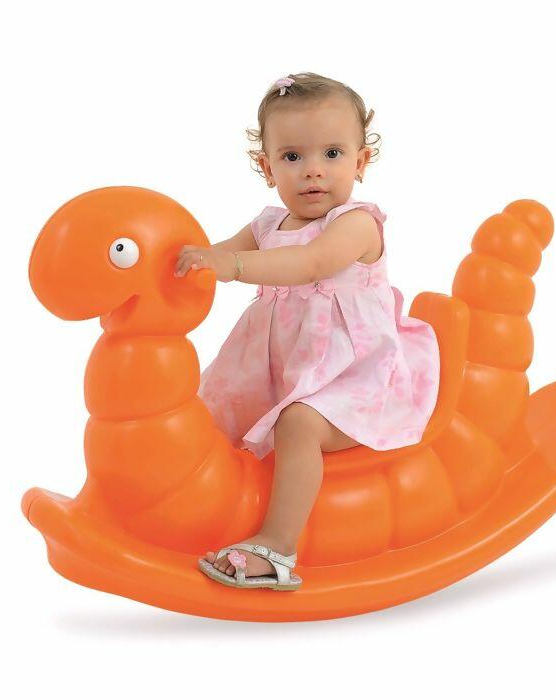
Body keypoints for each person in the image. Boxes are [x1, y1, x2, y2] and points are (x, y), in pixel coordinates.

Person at [175, 72, 439, 591]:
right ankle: (187, 509)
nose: (313, 170)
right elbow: (212, 255)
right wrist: (182, 262)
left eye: (333, 154)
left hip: (356, 375)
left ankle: (278, 546)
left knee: (298, 424)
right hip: (283, 366)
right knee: (206, 410)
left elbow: (311, 263)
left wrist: (232, 266)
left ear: (361, 162)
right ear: (266, 166)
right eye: (293, 156)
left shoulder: (357, 223)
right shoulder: (267, 225)